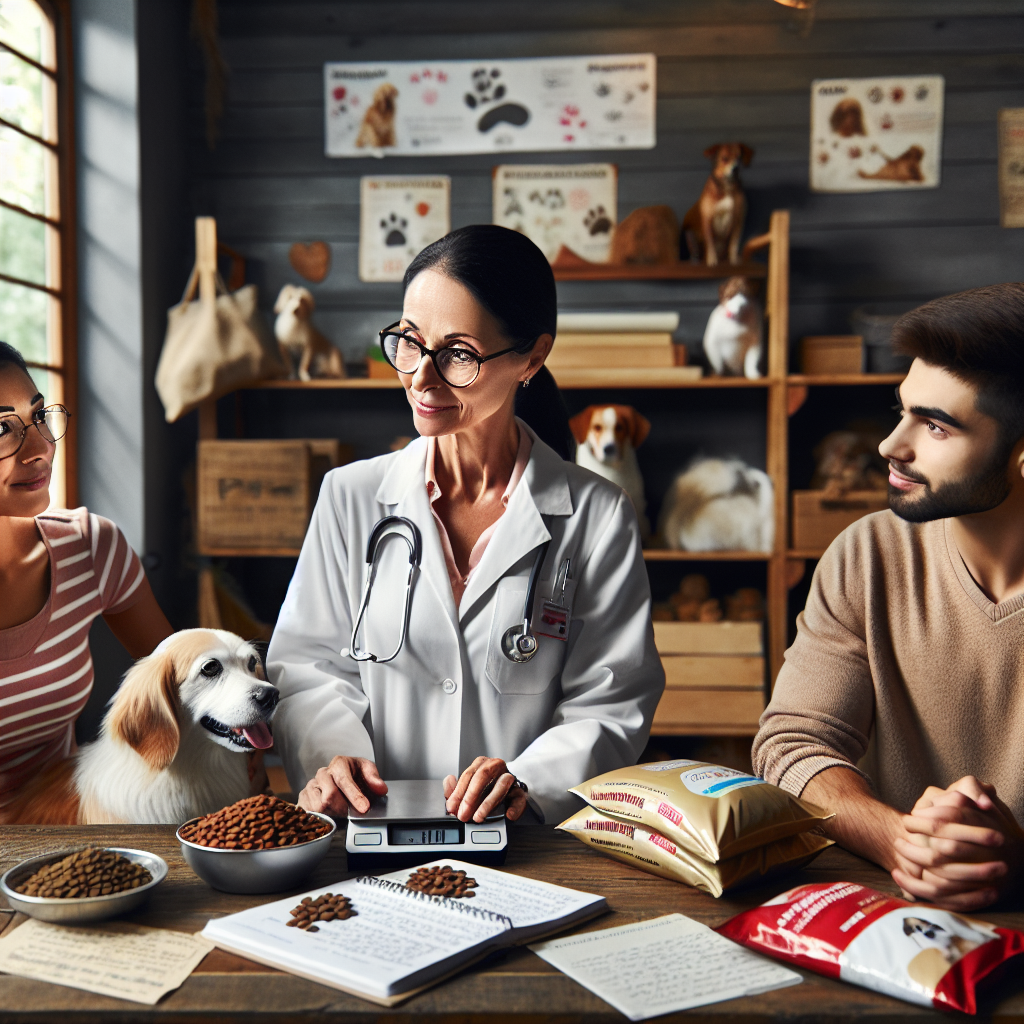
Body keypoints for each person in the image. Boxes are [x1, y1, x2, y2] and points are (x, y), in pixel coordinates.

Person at [267, 225, 664, 825]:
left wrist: (528, 782)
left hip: (528, 850)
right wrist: (335, 758)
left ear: (532, 356)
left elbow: (611, 701)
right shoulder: (350, 497)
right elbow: (307, 666)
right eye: (408, 341)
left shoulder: (596, 516)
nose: (420, 378)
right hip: (370, 832)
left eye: (457, 354)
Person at [753, 283, 1024, 911]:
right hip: (893, 921)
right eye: (901, 411)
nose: (890, 446)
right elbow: (792, 743)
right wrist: (899, 839)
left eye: (934, 426)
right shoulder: (866, 554)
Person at [0, 342, 173, 818]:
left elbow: (187, 687)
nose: (40, 449)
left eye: (37, 417)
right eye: (1, 429)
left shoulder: (89, 548)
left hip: (69, 847)